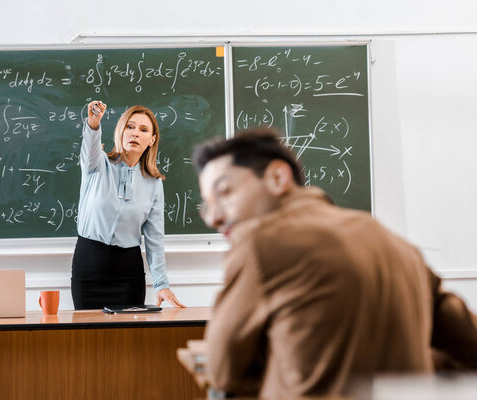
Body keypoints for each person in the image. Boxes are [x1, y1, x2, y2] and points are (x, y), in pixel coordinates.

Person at [192, 127, 477, 399]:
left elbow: (223, 370)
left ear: (277, 178)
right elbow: (468, 343)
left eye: (225, 192)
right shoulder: (391, 240)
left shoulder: (259, 243)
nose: (213, 217)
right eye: (206, 204)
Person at [71, 100, 184, 309]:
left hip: (128, 272)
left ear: (152, 140)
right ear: (120, 132)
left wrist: (161, 284)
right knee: (87, 338)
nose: (135, 133)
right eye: (130, 127)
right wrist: (93, 123)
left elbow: (155, 238)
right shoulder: (96, 165)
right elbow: (89, 149)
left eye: (143, 130)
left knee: (129, 338)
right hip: (89, 264)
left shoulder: (154, 183)